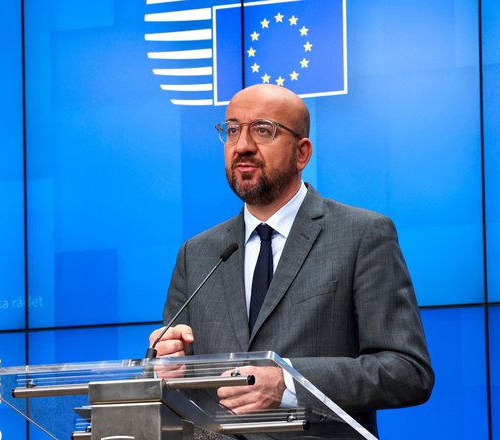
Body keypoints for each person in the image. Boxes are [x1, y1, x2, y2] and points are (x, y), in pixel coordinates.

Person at [149, 84, 434, 436]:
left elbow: (407, 371)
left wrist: (288, 383)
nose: (242, 146)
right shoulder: (197, 253)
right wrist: (168, 365)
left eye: (263, 130)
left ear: (302, 153)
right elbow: (172, 378)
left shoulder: (363, 235)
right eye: (232, 130)